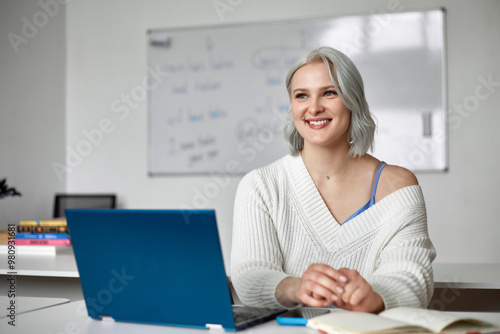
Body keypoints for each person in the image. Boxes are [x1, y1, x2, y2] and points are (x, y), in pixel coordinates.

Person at [230, 46, 436, 313]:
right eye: (301, 95)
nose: (314, 108)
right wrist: (297, 287)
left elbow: (413, 278)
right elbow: (249, 277)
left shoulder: (398, 185)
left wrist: (373, 297)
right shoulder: (260, 186)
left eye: (329, 93)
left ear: (353, 101)